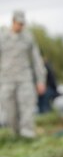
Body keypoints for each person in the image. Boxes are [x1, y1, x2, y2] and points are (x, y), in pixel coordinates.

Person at [0, 10, 46, 138]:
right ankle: (15, 135)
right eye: (18, 23)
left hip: (24, 78)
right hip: (6, 80)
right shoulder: (2, 37)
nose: (21, 26)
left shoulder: (28, 38)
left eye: (22, 24)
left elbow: (36, 60)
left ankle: (28, 135)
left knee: (27, 106)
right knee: (9, 110)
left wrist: (40, 80)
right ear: (13, 22)